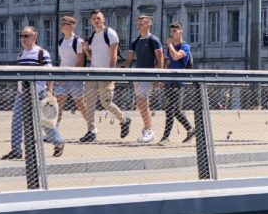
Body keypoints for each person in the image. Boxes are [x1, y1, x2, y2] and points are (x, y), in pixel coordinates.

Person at [4, 26, 65, 159]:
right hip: (22, 93)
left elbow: (50, 73)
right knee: (17, 121)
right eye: (21, 36)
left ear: (34, 37)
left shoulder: (42, 53)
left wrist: (50, 90)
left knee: (45, 121)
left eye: (26, 36)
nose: (23, 39)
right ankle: (16, 150)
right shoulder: (20, 55)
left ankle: (59, 142)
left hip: (39, 93)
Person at [81, 10, 131, 141]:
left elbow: (113, 54)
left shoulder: (110, 33)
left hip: (105, 72)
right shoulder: (92, 36)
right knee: (89, 102)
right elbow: (92, 57)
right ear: (91, 21)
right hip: (93, 72)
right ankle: (91, 130)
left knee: (106, 102)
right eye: (94, 19)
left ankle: (124, 120)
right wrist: (86, 49)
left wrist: (111, 71)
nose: (96, 20)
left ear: (103, 19)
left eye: (98, 18)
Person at [123, 15, 164, 143]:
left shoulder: (153, 40)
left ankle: (148, 130)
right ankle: (147, 128)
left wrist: (159, 77)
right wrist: (122, 69)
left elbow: (160, 59)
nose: (138, 26)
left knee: (144, 102)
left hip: (149, 75)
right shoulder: (135, 41)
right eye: (138, 23)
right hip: (137, 75)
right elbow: (129, 59)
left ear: (148, 24)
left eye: (141, 23)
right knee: (140, 103)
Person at [54, 16, 93, 132]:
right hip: (62, 77)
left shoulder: (78, 41)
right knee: (58, 104)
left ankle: (92, 127)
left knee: (80, 103)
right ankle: (54, 130)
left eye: (63, 23)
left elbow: (80, 62)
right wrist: (61, 76)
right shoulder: (61, 42)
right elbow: (63, 60)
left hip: (75, 77)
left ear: (71, 26)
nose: (61, 26)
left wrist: (69, 77)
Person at [161, 21, 195, 145]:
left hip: (178, 82)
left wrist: (170, 45)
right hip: (169, 81)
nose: (172, 34)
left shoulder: (185, 46)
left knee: (174, 109)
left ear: (181, 31)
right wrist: (162, 78)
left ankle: (166, 137)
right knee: (170, 110)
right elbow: (168, 62)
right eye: (171, 31)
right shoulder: (170, 47)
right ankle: (189, 129)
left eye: (174, 31)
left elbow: (176, 57)